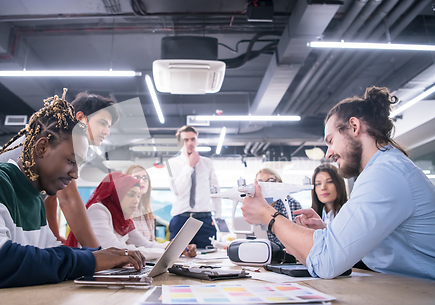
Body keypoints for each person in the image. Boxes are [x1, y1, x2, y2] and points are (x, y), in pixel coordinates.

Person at [0, 90, 144, 294]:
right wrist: (94, 258)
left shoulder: (35, 194)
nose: (76, 175)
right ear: (42, 148)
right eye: (72, 162)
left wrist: (98, 256)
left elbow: (47, 249)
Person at [241, 86, 435, 280]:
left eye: (331, 141)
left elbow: (326, 262)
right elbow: (372, 247)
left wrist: (267, 215)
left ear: (354, 126)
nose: (328, 153)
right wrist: (329, 233)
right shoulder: (384, 168)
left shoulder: (385, 174)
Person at [0, 92, 119, 248]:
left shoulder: (64, 143)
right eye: (102, 123)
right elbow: (68, 200)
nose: (107, 131)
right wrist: (98, 253)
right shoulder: (55, 140)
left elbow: (51, 196)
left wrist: (52, 239)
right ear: (80, 118)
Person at [66, 172, 196, 260]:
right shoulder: (98, 210)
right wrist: (168, 253)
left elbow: (147, 244)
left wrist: (176, 247)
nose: (136, 200)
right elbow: (114, 250)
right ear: (117, 194)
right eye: (131, 195)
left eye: (138, 196)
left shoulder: (123, 218)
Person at [167, 125, 221, 248]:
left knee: (208, 259)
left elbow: (216, 192)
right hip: (181, 219)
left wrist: (218, 217)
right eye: (186, 140)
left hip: (205, 220)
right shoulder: (171, 164)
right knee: (176, 258)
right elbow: (177, 191)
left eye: (193, 139)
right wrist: (189, 167)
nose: (190, 143)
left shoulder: (207, 163)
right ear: (179, 142)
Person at [256, 167, 302, 247]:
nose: (266, 185)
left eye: (271, 181)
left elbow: (294, 239)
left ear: (279, 183)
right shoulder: (256, 208)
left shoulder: (291, 204)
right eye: (260, 183)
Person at [124, 165, 156, 241]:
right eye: (136, 177)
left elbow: (152, 243)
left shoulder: (147, 214)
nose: (142, 181)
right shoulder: (123, 212)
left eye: (145, 178)